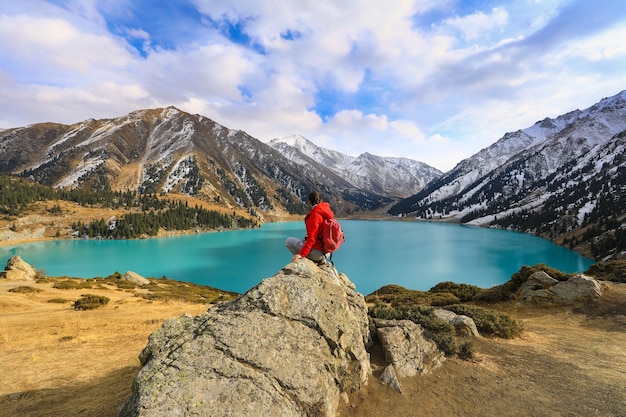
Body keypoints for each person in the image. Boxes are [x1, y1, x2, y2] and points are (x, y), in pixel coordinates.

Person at [285, 191, 334, 264]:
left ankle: (304, 261)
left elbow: (312, 239)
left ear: (309, 202)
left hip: (318, 253)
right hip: (327, 252)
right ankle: (318, 259)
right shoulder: (326, 212)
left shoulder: (315, 215)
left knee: (288, 241)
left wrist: (301, 254)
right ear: (321, 201)